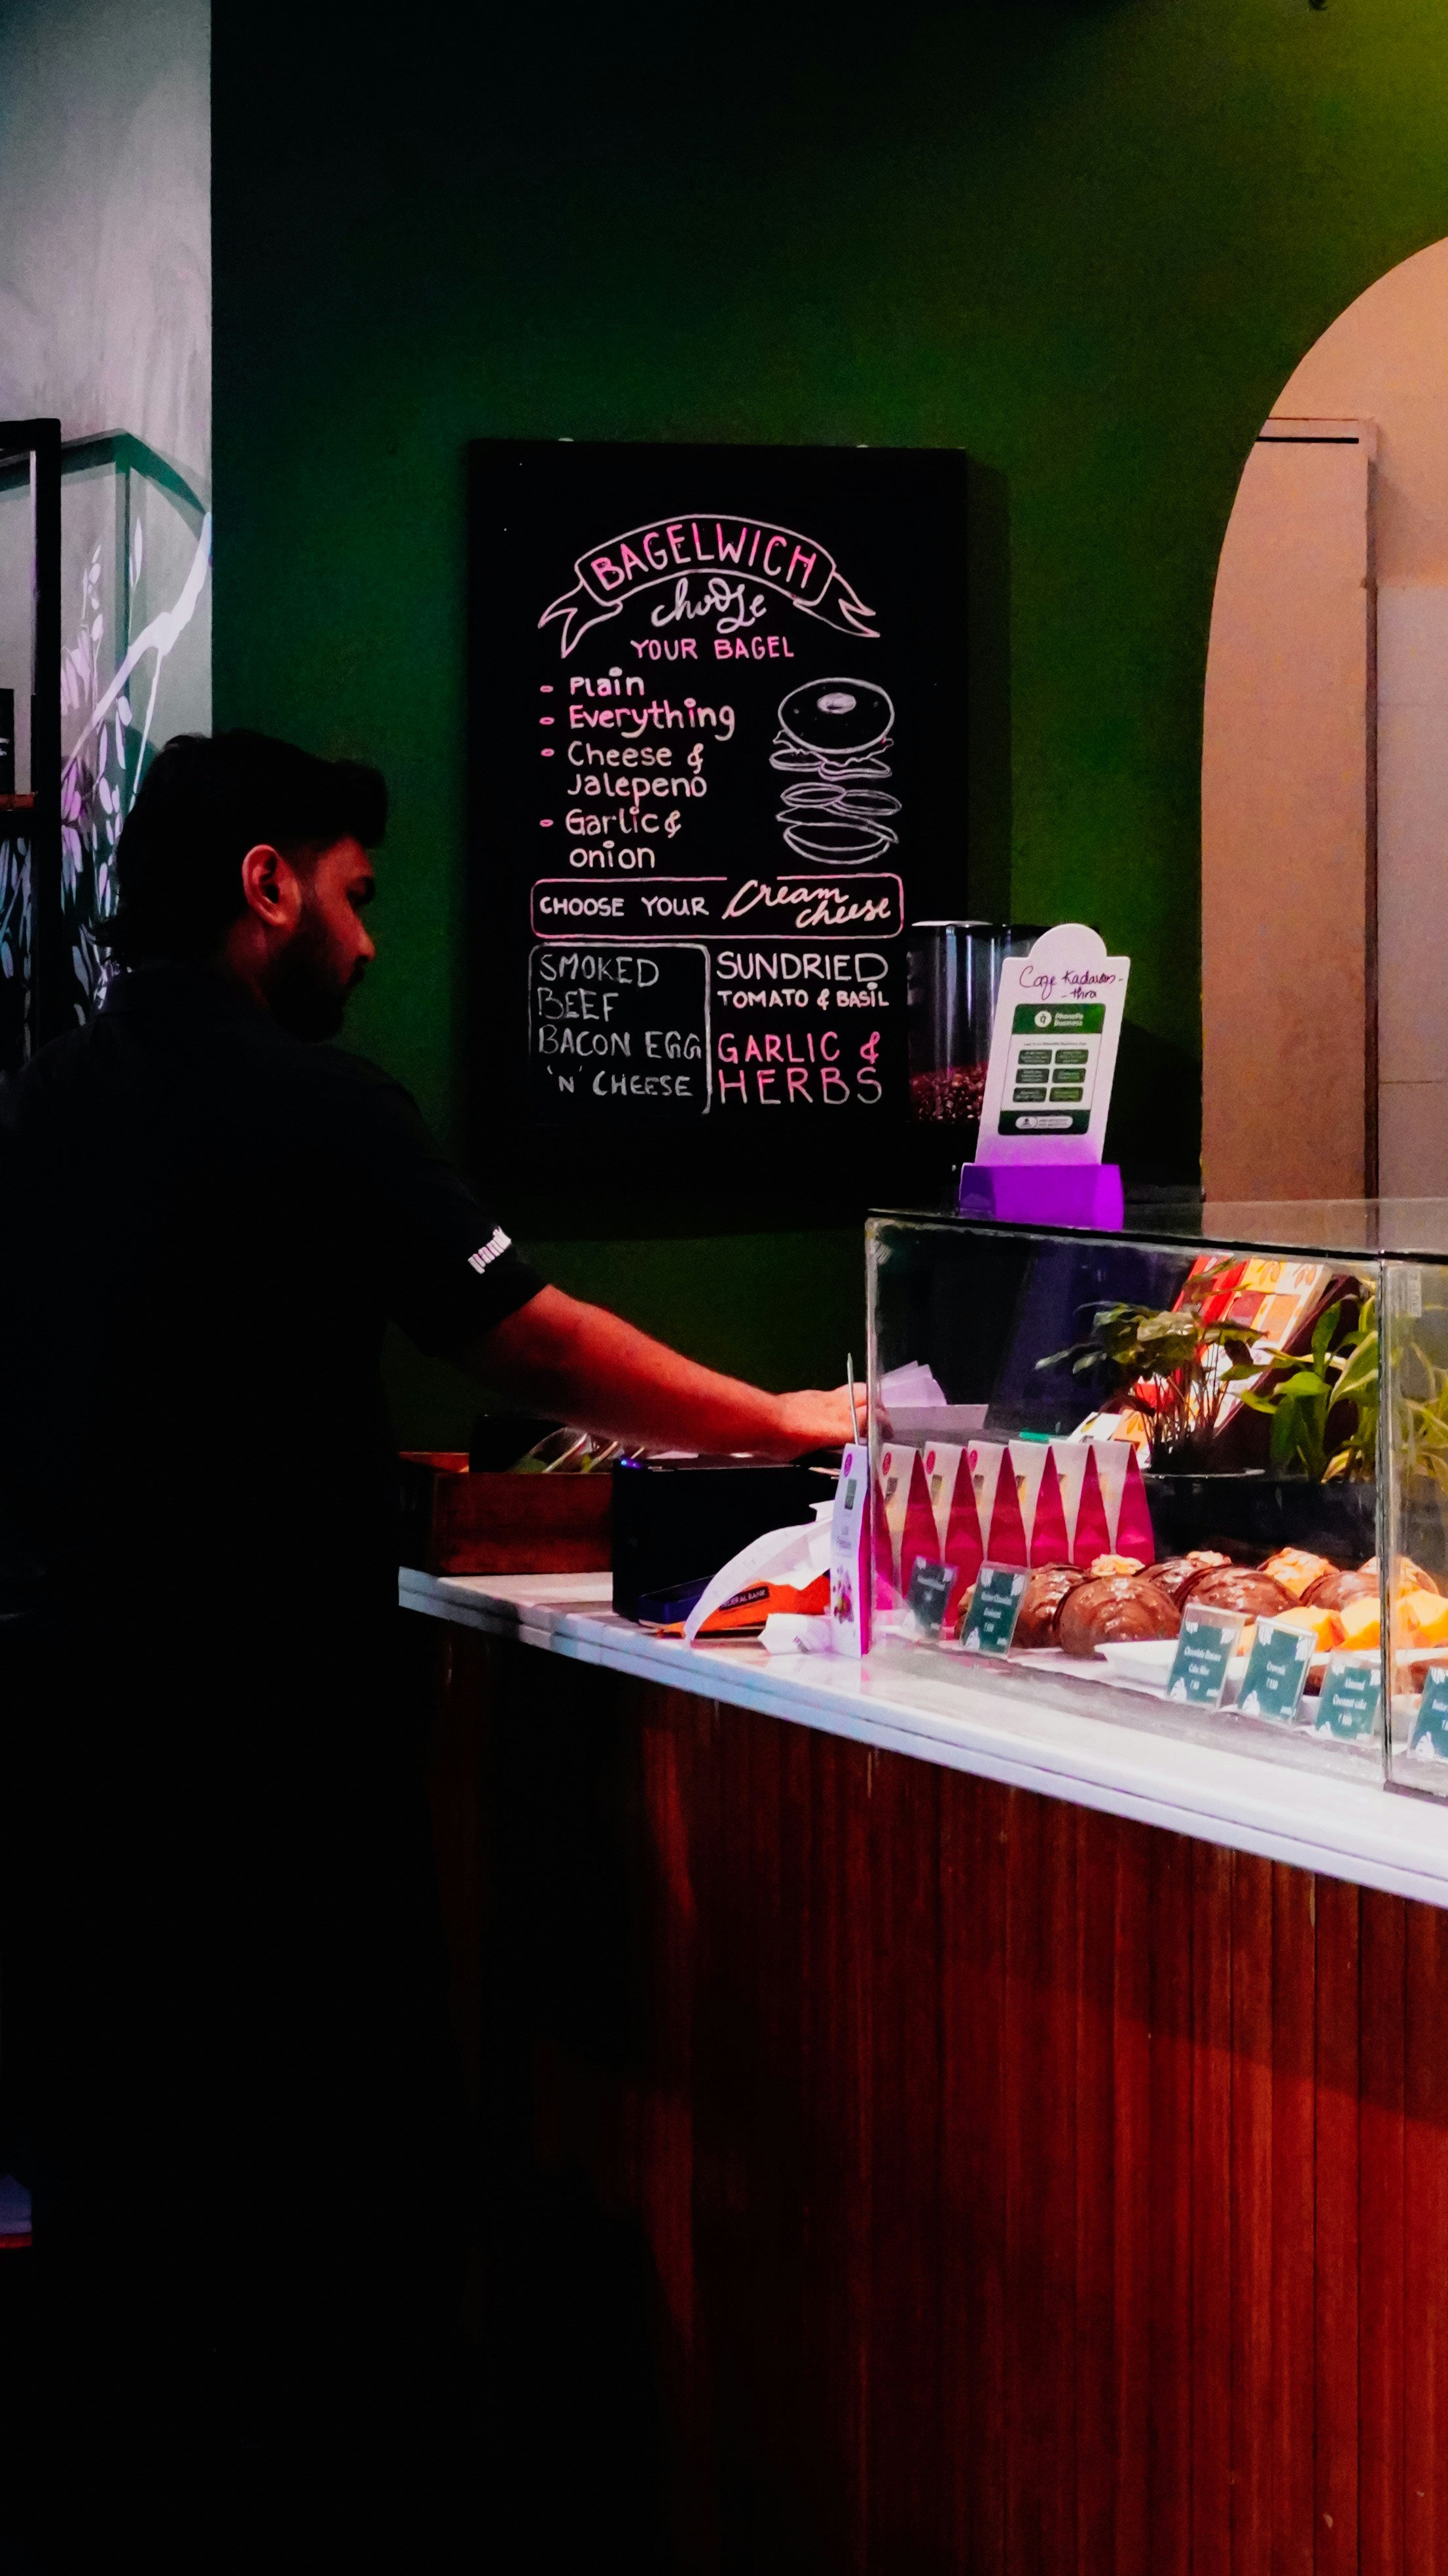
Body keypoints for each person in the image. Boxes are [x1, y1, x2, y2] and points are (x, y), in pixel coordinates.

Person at [0, 732, 858, 2569]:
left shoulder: (46, 1098)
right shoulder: (323, 1110)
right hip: (276, 1739)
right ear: (267, 885)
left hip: (75, 1728)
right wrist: (784, 1418)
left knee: (123, 2179)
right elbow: (531, 1342)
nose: (371, 944)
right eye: (357, 893)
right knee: (324, 2183)